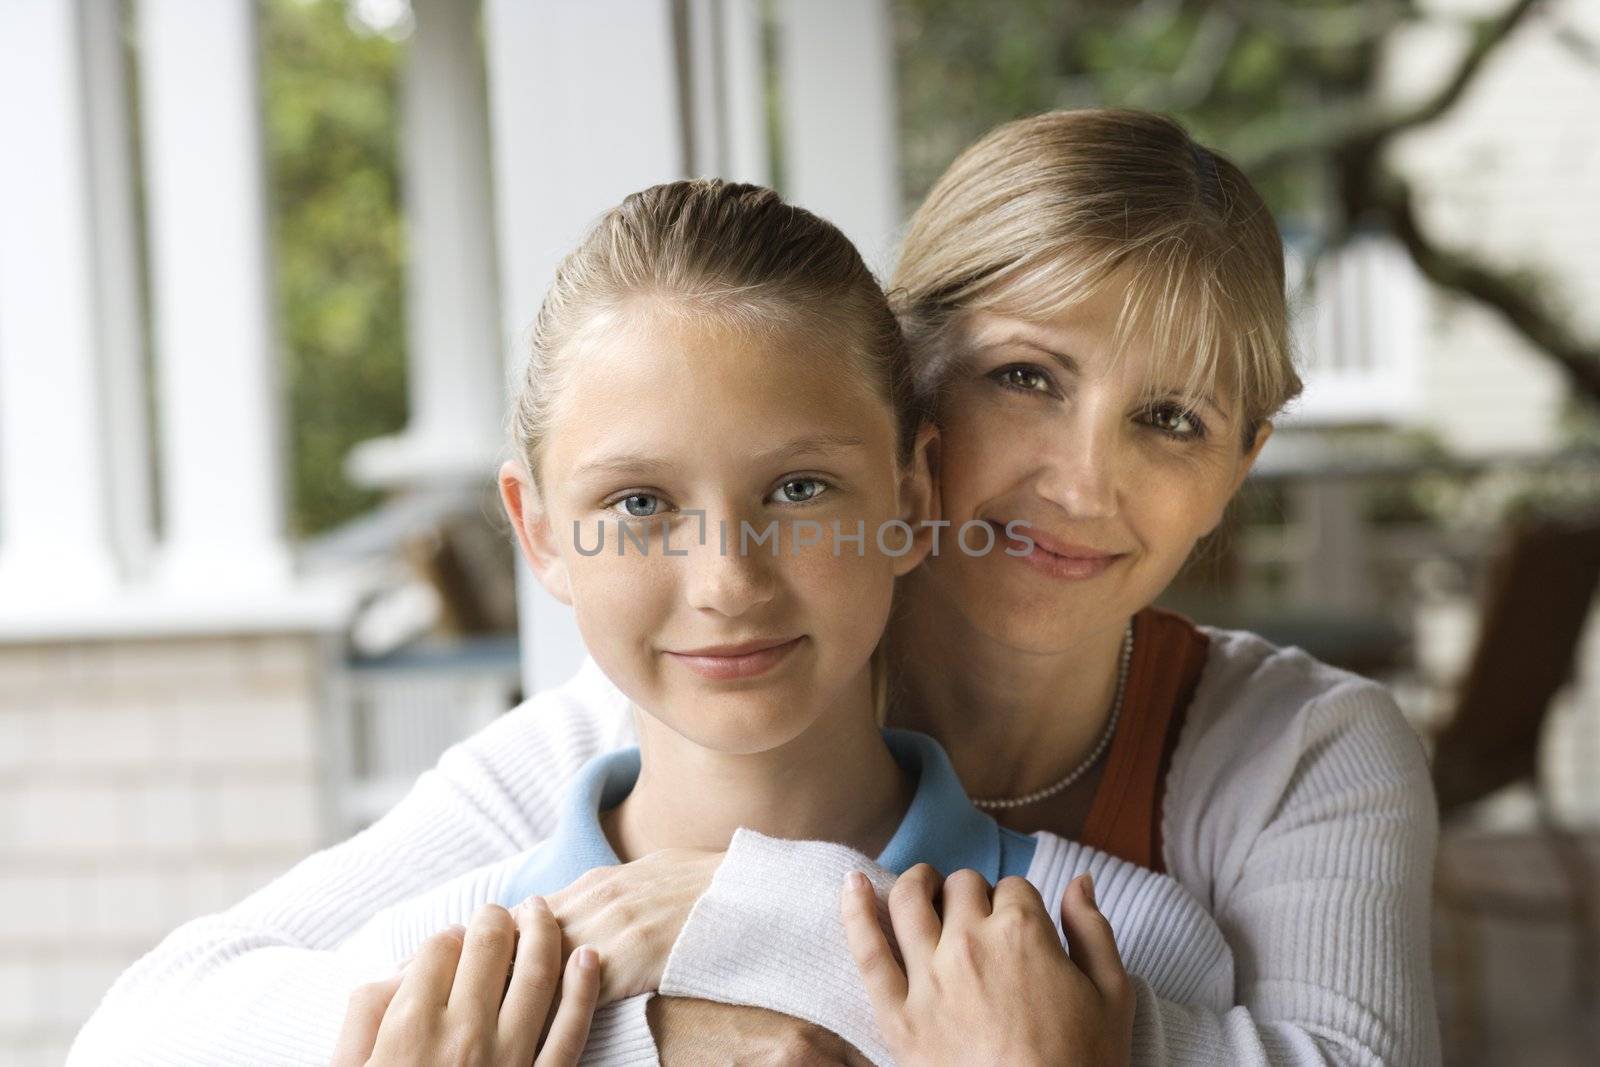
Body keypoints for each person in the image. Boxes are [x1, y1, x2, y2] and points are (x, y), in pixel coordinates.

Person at [69, 110, 1439, 1066]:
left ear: (1244, 462)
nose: (1085, 483)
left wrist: (751, 913)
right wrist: (640, 1031)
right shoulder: (643, 721)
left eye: (1174, 421)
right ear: (914, 396)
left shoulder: (1281, 770)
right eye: (1027, 378)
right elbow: (156, 1028)